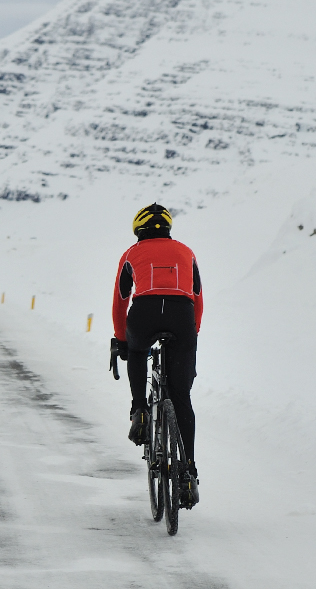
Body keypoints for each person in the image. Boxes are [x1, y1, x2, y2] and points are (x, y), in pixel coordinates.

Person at [110, 203, 202, 506]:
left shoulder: (130, 254)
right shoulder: (187, 252)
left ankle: (140, 410)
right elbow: (198, 299)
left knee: (137, 352)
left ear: (139, 230)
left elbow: (121, 301)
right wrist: (191, 336)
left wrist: (122, 340)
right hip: (181, 316)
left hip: (144, 313)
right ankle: (188, 473)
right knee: (181, 397)